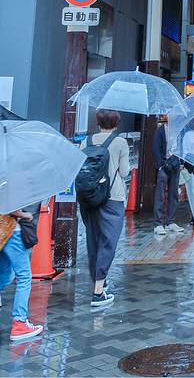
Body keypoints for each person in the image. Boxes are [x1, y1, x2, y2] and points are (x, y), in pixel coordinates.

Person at [80, 109, 130, 309]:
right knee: (108, 242)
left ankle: (99, 280)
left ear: (98, 122)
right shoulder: (120, 143)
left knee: (93, 240)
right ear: (116, 124)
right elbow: (124, 172)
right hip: (112, 198)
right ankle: (98, 293)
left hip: (89, 198)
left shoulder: (86, 142)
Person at [0, 208, 44, 341]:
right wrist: (24, 214)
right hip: (10, 229)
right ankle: (19, 324)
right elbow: (9, 206)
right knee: (24, 276)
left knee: (5, 274)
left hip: (2, 233)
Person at [153, 117, 184, 235]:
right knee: (160, 195)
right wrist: (160, 165)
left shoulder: (178, 131)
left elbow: (180, 147)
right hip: (163, 165)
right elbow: (156, 148)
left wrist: (180, 162)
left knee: (174, 194)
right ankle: (158, 224)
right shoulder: (160, 131)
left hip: (175, 165)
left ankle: (171, 221)